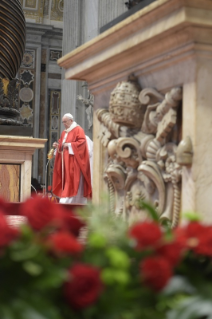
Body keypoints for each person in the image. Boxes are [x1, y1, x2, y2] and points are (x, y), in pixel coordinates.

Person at [52, 113, 92, 204]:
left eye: (65, 122)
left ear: (71, 120)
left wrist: (69, 145)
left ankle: (71, 200)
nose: (64, 124)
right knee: (67, 179)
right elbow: (61, 144)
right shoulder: (64, 132)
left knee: (74, 180)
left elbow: (82, 143)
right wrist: (58, 145)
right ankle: (67, 198)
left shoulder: (78, 129)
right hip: (65, 161)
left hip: (75, 161)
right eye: (63, 122)